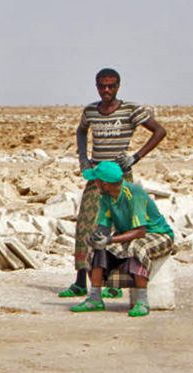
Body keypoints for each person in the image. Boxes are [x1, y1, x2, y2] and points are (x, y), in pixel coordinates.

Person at [59, 68, 167, 300]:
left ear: (118, 86)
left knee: (122, 227)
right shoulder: (90, 111)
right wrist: (83, 159)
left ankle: (115, 283)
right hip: (97, 177)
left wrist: (135, 157)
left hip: (120, 178)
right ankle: (80, 281)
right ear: (96, 86)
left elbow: (159, 131)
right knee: (86, 226)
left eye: (111, 86)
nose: (106, 90)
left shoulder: (131, 109)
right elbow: (81, 131)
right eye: (102, 86)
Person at [70, 161, 174, 317]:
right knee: (98, 248)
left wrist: (110, 240)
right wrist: (98, 236)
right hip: (130, 235)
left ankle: (142, 301)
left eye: (96, 180)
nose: (95, 183)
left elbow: (140, 231)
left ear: (105, 183)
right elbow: (104, 225)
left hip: (158, 234)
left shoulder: (134, 194)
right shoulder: (106, 197)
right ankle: (95, 298)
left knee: (137, 247)